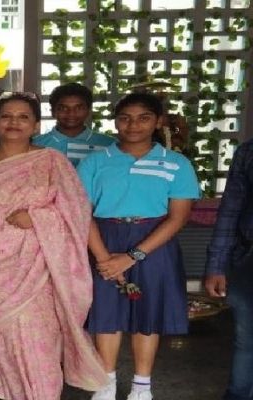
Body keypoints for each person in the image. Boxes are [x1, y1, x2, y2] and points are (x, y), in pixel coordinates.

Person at [0, 93, 107, 399]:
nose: (14, 123)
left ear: (36, 125)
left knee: (38, 338)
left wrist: (38, 217)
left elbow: (77, 212)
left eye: (23, 117)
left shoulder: (52, 162)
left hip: (38, 268)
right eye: (6, 116)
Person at [78, 92, 200, 400]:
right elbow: (82, 213)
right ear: (115, 122)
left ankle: (142, 386)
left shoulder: (176, 164)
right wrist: (104, 258)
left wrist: (132, 256)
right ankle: (105, 383)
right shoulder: (95, 162)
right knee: (106, 313)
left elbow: (178, 217)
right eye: (125, 118)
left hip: (155, 242)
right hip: (103, 239)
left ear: (158, 122)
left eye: (143, 118)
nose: (133, 125)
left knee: (148, 314)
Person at [205, 138, 253, 400]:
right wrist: (216, 265)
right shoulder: (249, 151)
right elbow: (230, 211)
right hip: (248, 259)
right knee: (247, 341)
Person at [33, 83, 116, 166]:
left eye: (78, 108)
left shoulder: (109, 145)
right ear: (53, 112)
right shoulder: (35, 144)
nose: (71, 113)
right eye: (63, 108)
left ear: (88, 111)